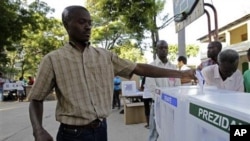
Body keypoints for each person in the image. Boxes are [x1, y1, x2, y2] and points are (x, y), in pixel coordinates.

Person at [28, 6, 195, 141]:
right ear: (66, 24)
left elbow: (139, 68)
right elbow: (36, 99)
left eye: (90, 23)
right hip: (72, 135)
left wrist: (180, 74)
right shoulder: (52, 60)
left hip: (101, 130)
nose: (88, 27)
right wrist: (38, 130)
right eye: (81, 22)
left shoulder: (105, 56)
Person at [145, 40, 181, 141]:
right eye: (161, 48)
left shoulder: (173, 67)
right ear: (156, 50)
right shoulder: (151, 67)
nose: (164, 50)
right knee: (153, 133)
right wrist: (164, 98)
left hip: (172, 106)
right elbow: (152, 88)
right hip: (158, 104)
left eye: (165, 48)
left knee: (171, 131)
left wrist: (171, 99)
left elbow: (177, 86)